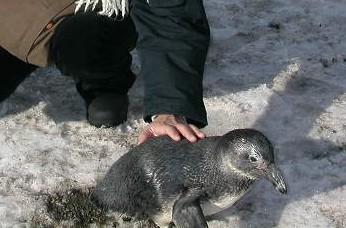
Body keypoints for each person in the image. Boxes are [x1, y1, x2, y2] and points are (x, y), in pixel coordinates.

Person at [0, 0, 210, 144]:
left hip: (89, 18)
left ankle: (104, 80)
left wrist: (169, 108)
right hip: (13, 19)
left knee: (80, 42)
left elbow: (172, 16)